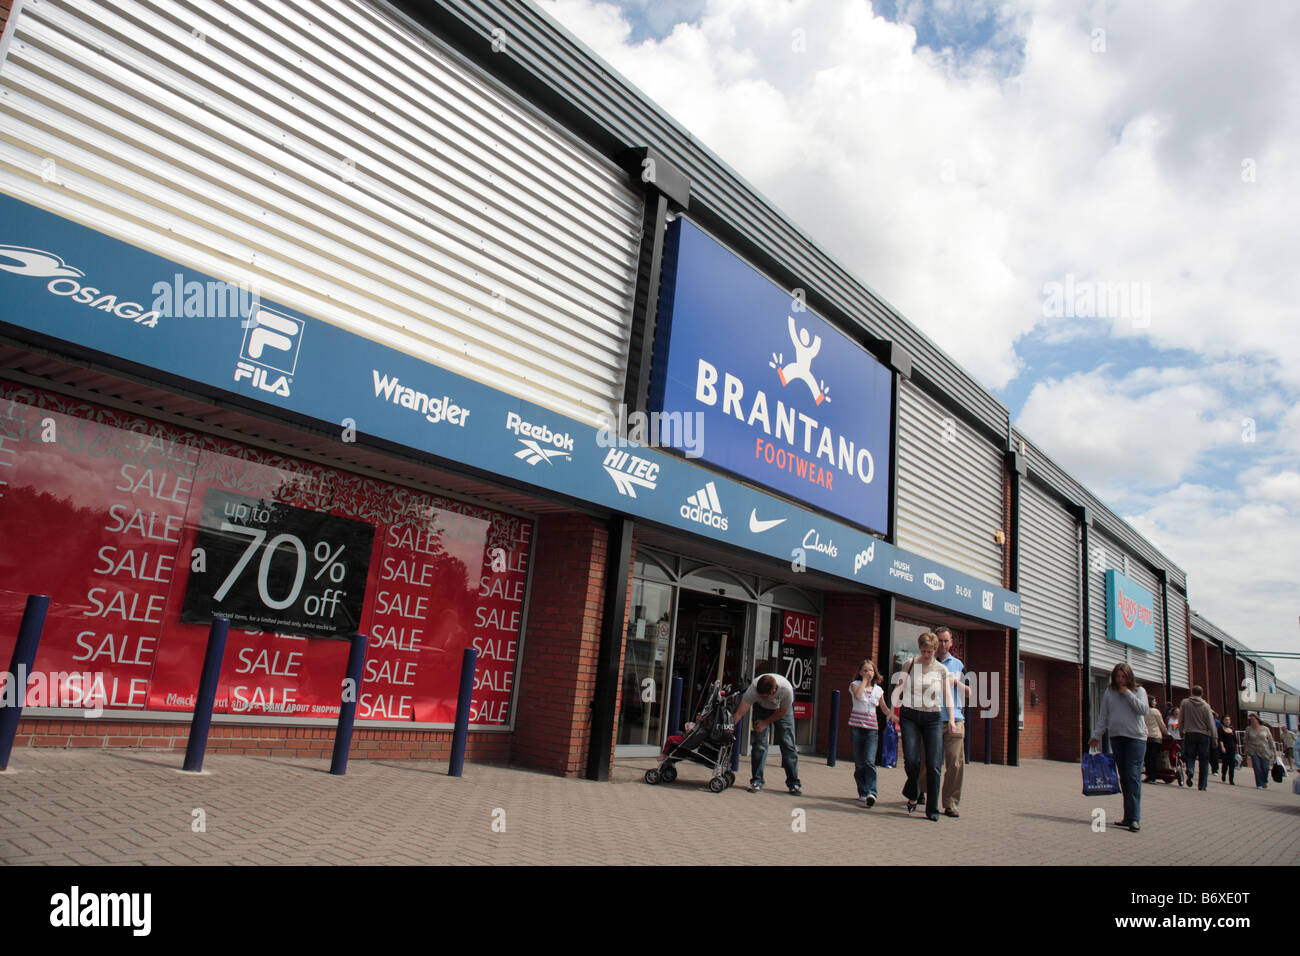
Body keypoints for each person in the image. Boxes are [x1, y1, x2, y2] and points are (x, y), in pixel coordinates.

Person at [895, 632, 959, 822]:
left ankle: (932, 808)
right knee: (912, 761)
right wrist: (892, 710)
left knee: (934, 765)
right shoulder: (910, 664)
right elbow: (898, 688)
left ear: (935, 650)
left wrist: (953, 720)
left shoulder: (941, 670)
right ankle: (913, 789)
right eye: (923, 651)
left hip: (932, 718)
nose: (926, 655)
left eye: (930, 651)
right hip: (910, 715)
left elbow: (947, 695)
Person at [1088, 663, 1147, 832]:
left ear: (1129, 677)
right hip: (1117, 737)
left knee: (1133, 776)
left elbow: (1143, 710)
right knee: (1124, 777)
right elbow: (1103, 716)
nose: (1120, 680)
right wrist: (1096, 735)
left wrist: (1127, 693)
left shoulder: (1138, 691)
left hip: (1136, 738)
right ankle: (1127, 817)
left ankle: (1135, 818)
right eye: (1117, 677)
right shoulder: (1109, 692)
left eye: (1123, 677)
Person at [733, 673, 801, 795]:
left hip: (781, 710)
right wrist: (729, 727)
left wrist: (765, 723)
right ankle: (757, 781)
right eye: (760, 696)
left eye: (764, 696)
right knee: (759, 744)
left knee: (788, 744)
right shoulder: (753, 689)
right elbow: (740, 712)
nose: (761, 697)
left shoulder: (786, 690)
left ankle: (794, 783)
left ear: (773, 691)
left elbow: (782, 713)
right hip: (761, 710)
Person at [848, 659, 897, 807]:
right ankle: (862, 791)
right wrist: (863, 680)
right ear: (860, 672)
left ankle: (872, 792)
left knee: (869, 761)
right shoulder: (855, 685)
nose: (868, 673)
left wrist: (891, 715)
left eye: (870, 670)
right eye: (865, 670)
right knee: (859, 763)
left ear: (875, 672)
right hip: (856, 728)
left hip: (871, 730)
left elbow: (883, 707)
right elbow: (857, 696)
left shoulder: (878, 690)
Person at [1177, 686, 1214, 791]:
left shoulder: (1185, 703)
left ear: (1192, 692)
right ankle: (1202, 785)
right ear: (1202, 694)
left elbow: (1181, 717)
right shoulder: (1206, 706)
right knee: (1204, 760)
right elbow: (1210, 722)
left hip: (1189, 733)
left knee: (1189, 755)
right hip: (1203, 735)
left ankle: (1190, 769)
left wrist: (1180, 730)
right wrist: (1214, 737)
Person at [1244, 713, 1276, 789]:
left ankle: (1264, 781)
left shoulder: (1265, 728)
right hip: (1253, 750)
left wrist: (1273, 749)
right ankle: (1259, 783)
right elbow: (1246, 740)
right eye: (1251, 720)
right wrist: (1246, 750)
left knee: (1265, 767)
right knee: (1257, 767)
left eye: (1254, 719)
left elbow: (1270, 739)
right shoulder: (1248, 729)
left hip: (1265, 750)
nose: (1252, 721)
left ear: (1257, 720)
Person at [1143, 696, 1167, 783]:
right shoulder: (1155, 711)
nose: (1156, 703)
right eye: (1154, 701)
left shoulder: (1143, 710)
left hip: (1145, 737)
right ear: (1151, 702)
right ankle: (1153, 776)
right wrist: (1166, 733)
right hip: (1155, 737)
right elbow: (1161, 724)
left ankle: (1148, 775)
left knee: (1147, 757)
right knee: (1153, 757)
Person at [1218, 714, 1237, 784]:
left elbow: (1235, 740)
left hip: (1232, 749)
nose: (1228, 721)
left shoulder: (1232, 729)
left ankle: (1231, 779)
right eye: (1226, 720)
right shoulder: (1220, 728)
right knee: (1225, 763)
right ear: (1223, 721)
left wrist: (1236, 749)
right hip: (1225, 748)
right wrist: (1222, 747)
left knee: (1232, 764)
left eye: (1229, 720)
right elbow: (1220, 739)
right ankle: (1223, 775)